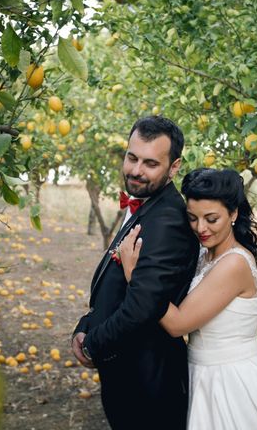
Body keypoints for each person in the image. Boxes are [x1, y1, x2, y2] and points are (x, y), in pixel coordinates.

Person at [119, 168, 257, 430]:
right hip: (201, 372)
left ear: (233, 213)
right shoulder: (205, 255)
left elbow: (178, 324)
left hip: (232, 381)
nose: (200, 228)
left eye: (211, 219)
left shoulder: (234, 264)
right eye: (192, 218)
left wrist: (135, 275)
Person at [70, 116, 200, 430]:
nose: (136, 170)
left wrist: (93, 343)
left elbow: (143, 305)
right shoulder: (147, 204)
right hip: (127, 375)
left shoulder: (169, 220)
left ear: (174, 167)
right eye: (132, 158)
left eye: (150, 163)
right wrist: (85, 324)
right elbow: (115, 283)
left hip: (147, 381)